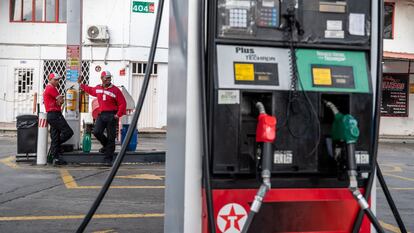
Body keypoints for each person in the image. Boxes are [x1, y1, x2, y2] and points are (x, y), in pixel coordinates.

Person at [78, 71, 126, 164]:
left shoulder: (116, 90)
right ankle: (106, 146)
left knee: (111, 137)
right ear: (102, 78)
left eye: (109, 78)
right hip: (101, 114)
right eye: (107, 78)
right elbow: (90, 90)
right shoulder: (98, 88)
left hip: (112, 115)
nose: (109, 79)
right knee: (96, 131)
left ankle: (108, 159)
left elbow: (122, 103)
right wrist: (80, 84)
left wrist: (117, 115)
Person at [43, 72, 74, 165]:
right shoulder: (51, 88)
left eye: (58, 80)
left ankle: (55, 157)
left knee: (55, 136)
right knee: (68, 132)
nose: (57, 81)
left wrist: (59, 101)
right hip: (55, 114)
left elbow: (59, 101)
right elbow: (61, 100)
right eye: (55, 80)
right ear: (50, 80)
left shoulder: (49, 88)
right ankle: (55, 148)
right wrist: (59, 100)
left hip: (52, 114)